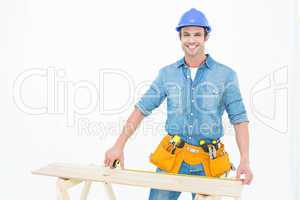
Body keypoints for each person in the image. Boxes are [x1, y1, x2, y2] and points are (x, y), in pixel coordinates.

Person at [104, 8, 253, 200]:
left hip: (208, 162)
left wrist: (245, 160)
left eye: (197, 34)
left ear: (206, 36)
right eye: (187, 35)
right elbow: (141, 109)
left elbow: (239, 119)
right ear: (180, 37)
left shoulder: (225, 75)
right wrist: (118, 146)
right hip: (172, 157)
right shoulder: (167, 74)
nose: (192, 40)